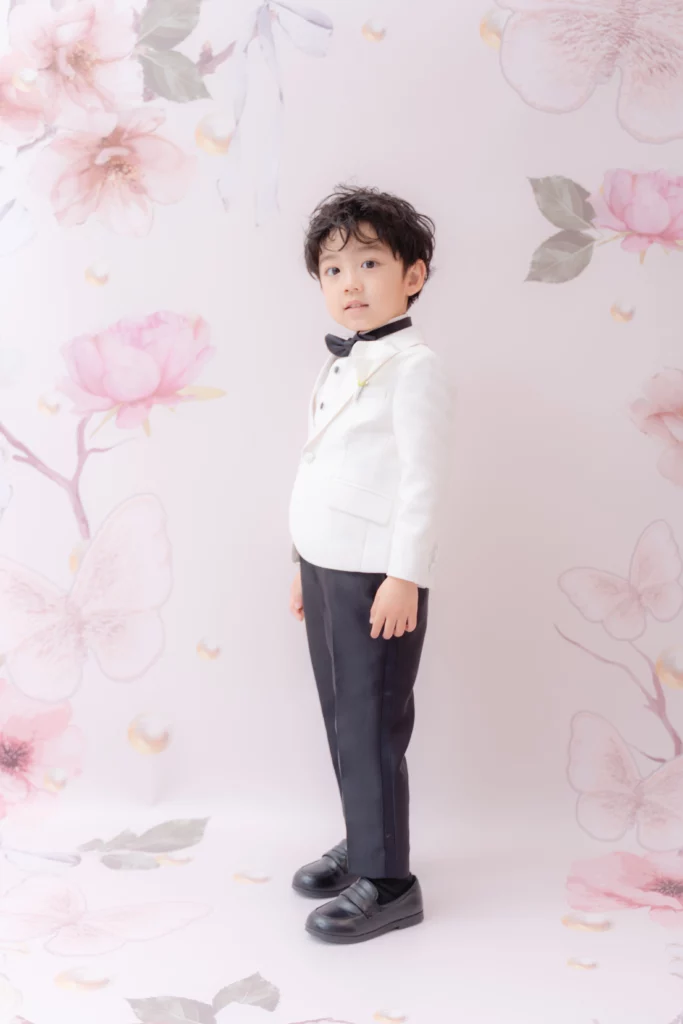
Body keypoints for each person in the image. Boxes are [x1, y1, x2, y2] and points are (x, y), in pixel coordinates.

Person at [287, 184, 453, 944]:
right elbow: (321, 465)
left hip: (375, 575)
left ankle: (389, 883)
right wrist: (300, 560)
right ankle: (364, 840)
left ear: (411, 275)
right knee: (339, 716)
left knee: (372, 720)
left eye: (369, 263)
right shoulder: (338, 365)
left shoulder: (415, 369)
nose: (349, 283)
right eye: (332, 270)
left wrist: (405, 575)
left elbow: (423, 481)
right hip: (325, 562)